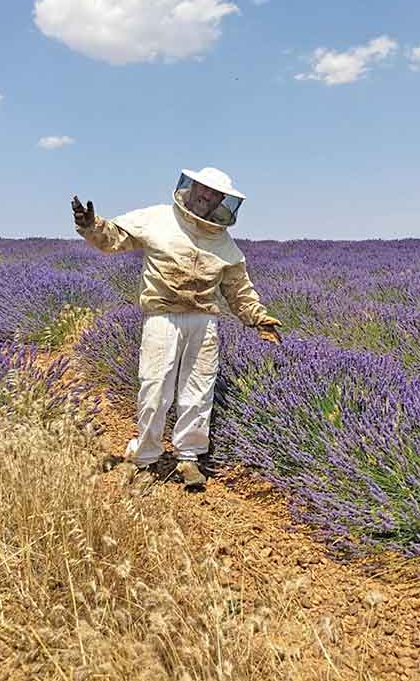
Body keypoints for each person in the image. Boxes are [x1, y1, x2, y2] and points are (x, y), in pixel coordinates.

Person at [71, 167, 282, 492]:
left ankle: (188, 457)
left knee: (199, 391)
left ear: (221, 200)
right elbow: (114, 238)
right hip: (162, 317)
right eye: (203, 189)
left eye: (214, 194)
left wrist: (259, 318)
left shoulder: (224, 243)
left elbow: (238, 289)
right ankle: (145, 457)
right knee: (155, 388)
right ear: (192, 188)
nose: (206, 196)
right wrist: (91, 226)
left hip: (203, 322)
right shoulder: (157, 218)